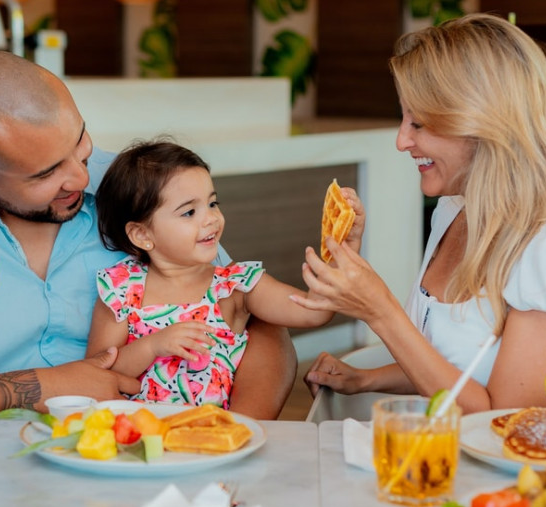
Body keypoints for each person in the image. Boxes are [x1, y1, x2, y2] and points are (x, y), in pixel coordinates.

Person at [0, 51, 296, 418]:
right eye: (45, 174)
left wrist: (228, 438)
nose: (82, 181)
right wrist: (48, 384)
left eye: (79, 145)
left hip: (141, 452)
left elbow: (255, 323)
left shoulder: (136, 188)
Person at [293, 14, 546, 414]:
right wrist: (366, 379)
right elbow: (462, 368)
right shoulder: (453, 212)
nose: (402, 140)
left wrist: (379, 310)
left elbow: (505, 424)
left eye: (420, 122)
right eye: (404, 118)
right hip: (443, 458)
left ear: (485, 124)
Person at [87, 141, 361, 409]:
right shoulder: (120, 290)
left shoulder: (236, 286)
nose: (211, 219)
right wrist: (152, 347)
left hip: (213, 441)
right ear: (142, 235)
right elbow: (98, 374)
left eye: (213, 203)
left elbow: (314, 312)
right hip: (138, 439)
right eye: (189, 212)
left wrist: (342, 250)